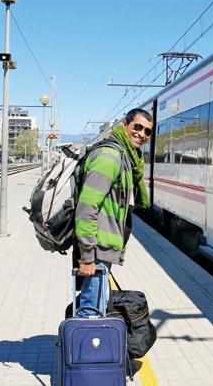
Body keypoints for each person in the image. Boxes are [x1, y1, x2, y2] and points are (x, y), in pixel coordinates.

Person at [75, 108, 153, 315]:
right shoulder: (110, 157)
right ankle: (85, 346)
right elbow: (86, 208)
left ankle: (88, 345)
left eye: (147, 131)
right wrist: (87, 257)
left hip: (103, 248)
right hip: (97, 250)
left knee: (96, 309)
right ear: (124, 126)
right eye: (137, 127)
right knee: (90, 312)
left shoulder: (125, 157)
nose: (142, 134)